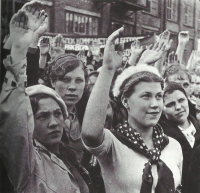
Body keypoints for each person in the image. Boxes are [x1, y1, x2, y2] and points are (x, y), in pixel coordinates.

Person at [0, 4, 95, 192]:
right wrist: (21, 48)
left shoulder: (68, 156)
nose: (54, 123)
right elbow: (14, 105)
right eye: (42, 116)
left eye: (58, 114)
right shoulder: (26, 161)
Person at [81, 27, 183, 193]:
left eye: (158, 96)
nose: (155, 104)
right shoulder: (113, 143)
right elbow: (90, 134)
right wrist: (108, 69)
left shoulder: (173, 145)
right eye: (146, 96)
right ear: (125, 101)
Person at [159, 81, 200, 193]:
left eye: (181, 100)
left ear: (188, 100)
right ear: (162, 109)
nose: (178, 107)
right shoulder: (161, 138)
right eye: (170, 104)